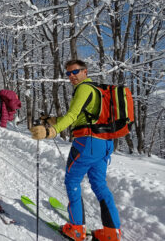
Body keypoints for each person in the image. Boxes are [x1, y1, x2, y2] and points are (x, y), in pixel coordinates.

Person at [30, 60, 121, 241]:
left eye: (75, 72)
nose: (71, 76)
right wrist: (53, 120)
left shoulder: (83, 89)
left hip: (86, 143)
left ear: (85, 71)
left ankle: (76, 229)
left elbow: (72, 116)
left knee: (72, 181)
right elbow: (80, 117)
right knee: (100, 185)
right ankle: (112, 232)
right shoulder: (98, 91)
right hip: (104, 144)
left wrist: (50, 131)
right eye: (68, 74)